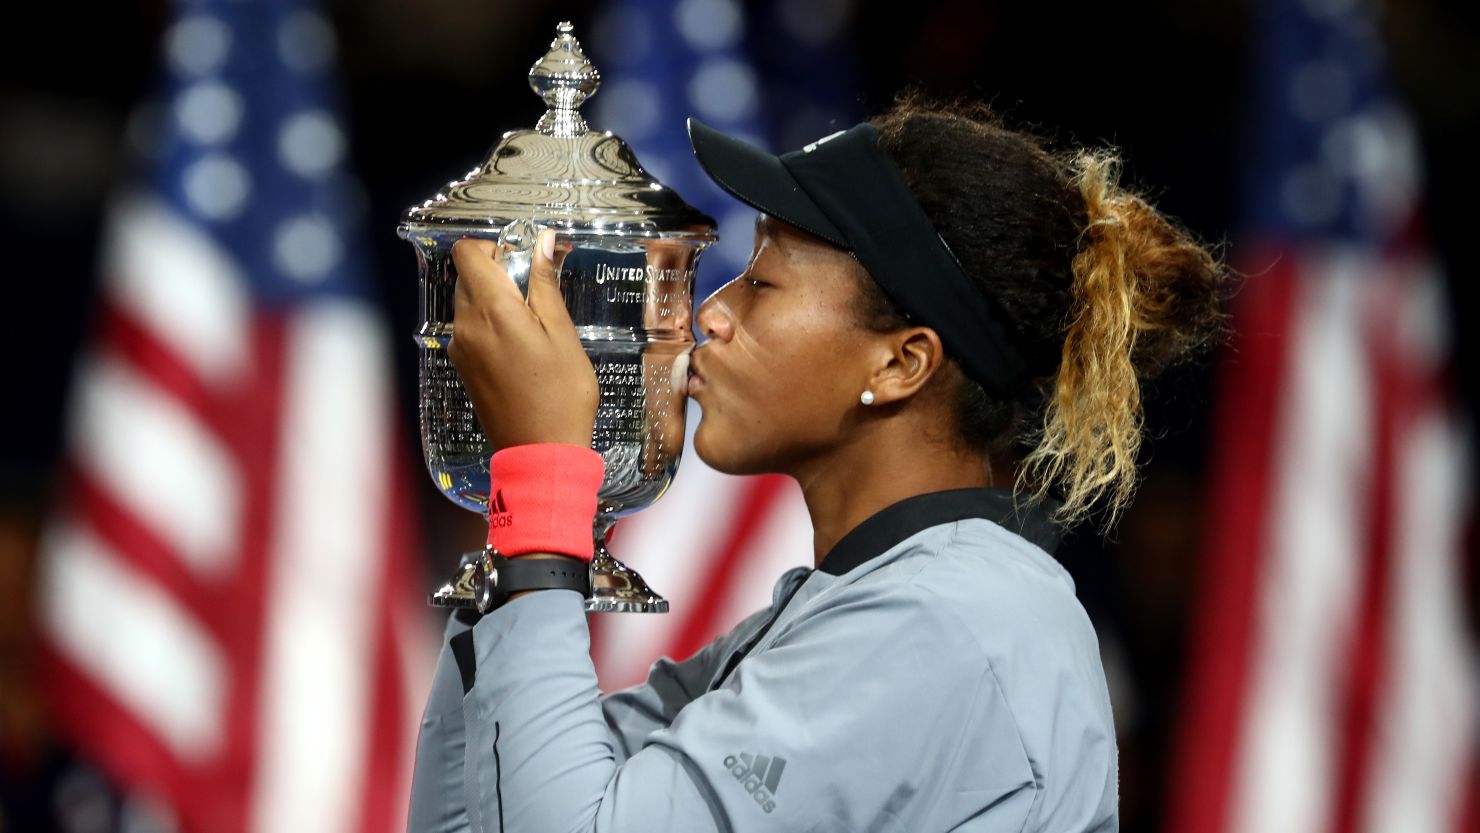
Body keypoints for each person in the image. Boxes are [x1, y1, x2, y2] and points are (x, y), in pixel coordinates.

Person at [407, 94, 1226, 833]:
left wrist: (544, 477)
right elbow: (480, 817)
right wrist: (530, 495)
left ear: (900, 364)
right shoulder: (856, 608)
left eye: (761, 282)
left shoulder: (950, 622)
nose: (712, 315)